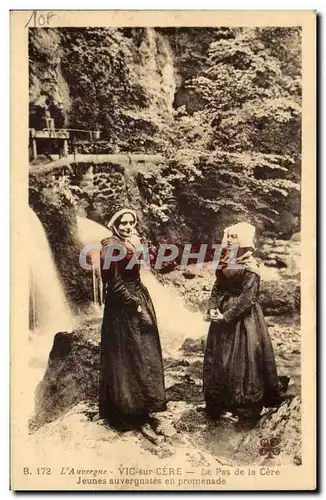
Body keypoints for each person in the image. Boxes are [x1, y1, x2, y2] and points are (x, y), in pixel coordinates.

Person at [203, 222, 284, 428]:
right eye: (228, 236)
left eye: (234, 237)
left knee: (242, 362)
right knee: (219, 359)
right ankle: (219, 402)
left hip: (243, 321)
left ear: (245, 242)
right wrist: (213, 307)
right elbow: (217, 287)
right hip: (221, 317)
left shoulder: (251, 267)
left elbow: (248, 299)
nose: (229, 240)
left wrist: (226, 316)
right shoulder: (226, 260)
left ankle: (244, 409)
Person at [99, 204, 167, 441]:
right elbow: (113, 283)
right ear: (115, 225)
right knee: (129, 355)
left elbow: (143, 267)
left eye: (131, 223)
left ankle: (145, 408)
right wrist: (134, 306)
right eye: (123, 223)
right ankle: (129, 414)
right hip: (123, 306)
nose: (128, 227)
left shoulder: (130, 243)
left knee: (144, 352)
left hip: (137, 295)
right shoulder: (109, 247)